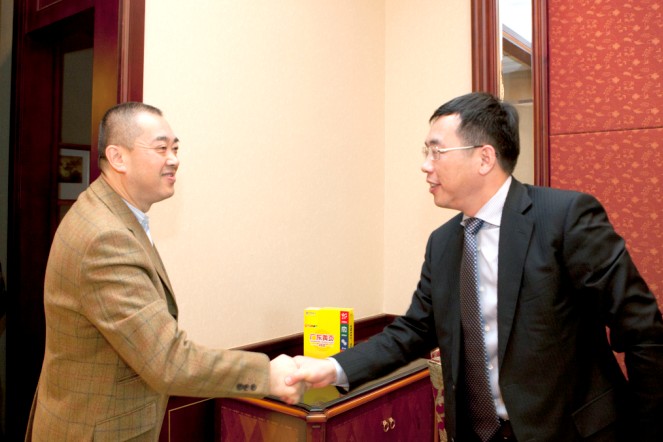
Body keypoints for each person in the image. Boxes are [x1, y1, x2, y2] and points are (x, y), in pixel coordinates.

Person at [287, 92, 663, 441]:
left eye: (436, 151)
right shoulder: (443, 243)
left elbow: (642, 330)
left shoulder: (564, 218)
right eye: (425, 152)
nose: (425, 165)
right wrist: (331, 368)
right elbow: (413, 330)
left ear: (484, 158)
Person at [25, 102, 304, 441]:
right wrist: (267, 376)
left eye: (175, 148)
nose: (173, 159)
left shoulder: (109, 213)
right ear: (118, 157)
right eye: (161, 148)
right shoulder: (105, 237)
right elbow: (168, 361)